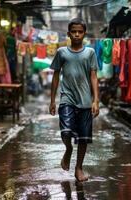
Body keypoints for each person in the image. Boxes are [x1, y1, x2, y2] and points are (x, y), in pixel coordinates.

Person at [49, 18, 99, 182]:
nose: (77, 34)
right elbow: (56, 76)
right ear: (68, 33)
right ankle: (68, 149)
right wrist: (52, 100)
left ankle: (78, 168)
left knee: (83, 138)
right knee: (66, 132)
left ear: (84, 33)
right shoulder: (62, 52)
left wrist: (96, 100)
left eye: (80, 31)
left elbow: (93, 77)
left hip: (85, 100)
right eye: (74, 31)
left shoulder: (90, 52)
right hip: (66, 98)